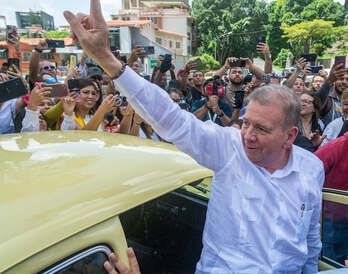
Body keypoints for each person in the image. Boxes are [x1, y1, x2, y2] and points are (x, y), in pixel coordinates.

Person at [64, 2, 324, 273]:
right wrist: (107, 59)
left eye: (262, 129)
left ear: (290, 136)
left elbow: (309, 242)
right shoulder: (227, 148)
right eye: (246, 123)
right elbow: (172, 118)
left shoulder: (311, 168)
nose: (247, 135)